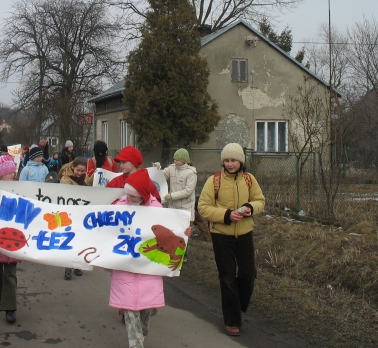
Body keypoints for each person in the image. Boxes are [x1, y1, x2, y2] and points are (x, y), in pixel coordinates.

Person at [109, 169, 191, 348]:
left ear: (144, 195)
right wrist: (101, 256)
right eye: (128, 195)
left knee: (147, 309)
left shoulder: (157, 210)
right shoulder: (118, 207)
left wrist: (184, 232)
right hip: (125, 270)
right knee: (130, 312)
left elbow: (171, 232)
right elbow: (106, 233)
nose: (129, 199)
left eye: (134, 196)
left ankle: (143, 329)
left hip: (149, 271)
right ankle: (136, 344)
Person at [197, 143, 266, 337]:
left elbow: (260, 200)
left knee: (248, 275)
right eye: (226, 160)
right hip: (221, 236)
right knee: (227, 278)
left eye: (233, 160)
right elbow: (203, 207)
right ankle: (232, 321)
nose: (230, 164)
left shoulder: (249, 180)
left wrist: (251, 208)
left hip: (245, 234)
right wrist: (227, 215)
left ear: (240, 161)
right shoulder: (214, 181)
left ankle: (239, 309)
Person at [0, 156, 20, 323]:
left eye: (14, 172)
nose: (13, 175)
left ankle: (10, 307)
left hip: (13, 237)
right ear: (0, 174)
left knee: (10, 273)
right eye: (9, 172)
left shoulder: (19, 188)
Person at [161, 148, 197, 260]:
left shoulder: (191, 173)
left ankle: (183, 255)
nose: (175, 162)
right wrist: (157, 169)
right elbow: (161, 176)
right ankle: (172, 252)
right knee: (172, 231)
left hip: (186, 208)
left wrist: (172, 196)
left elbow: (188, 191)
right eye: (174, 159)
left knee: (184, 232)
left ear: (184, 160)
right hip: (173, 207)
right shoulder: (172, 169)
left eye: (177, 160)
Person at [59, 157, 91, 279]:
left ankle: (77, 265)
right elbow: (67, 195)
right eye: (78, 170)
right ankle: (67, 267)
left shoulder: (84, 177)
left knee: (79, 240)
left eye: (82, 171)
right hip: (69, 213)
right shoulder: (65, 179)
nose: (80, 173)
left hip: (80, 212)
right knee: (69, 240)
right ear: (73, 168)